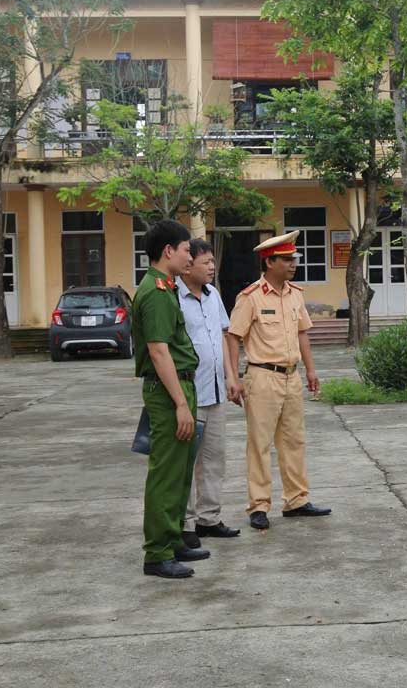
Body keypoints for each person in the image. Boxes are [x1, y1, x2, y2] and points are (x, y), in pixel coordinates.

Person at [227, 230, 331, 530]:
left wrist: (310, 370)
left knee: (294, 441)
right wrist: (233, 377)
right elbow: (234, 337)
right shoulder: (250, 297)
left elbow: (302, 334)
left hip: (291, 376)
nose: (293, 264)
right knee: (259, 444)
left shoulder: (296, 294)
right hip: (261, 377)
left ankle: (296, 500)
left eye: (293, 259)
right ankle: (258, 506)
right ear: (269, 262)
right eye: (286, 259)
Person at [132, 219, 209, 579]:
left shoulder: (165, 286)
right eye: (184, 251)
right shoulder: (156, 292)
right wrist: (180, 403)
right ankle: (157, 552)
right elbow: (160, 352)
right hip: (169, 392)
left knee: (180, 471)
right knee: (165, 472)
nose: (190, 257)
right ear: (168, 252)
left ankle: (174, 538)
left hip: (181, 387)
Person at [177, 238, 243, 550]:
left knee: (215, 458)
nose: (212, 268)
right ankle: (186, 523)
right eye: (207, 263)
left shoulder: (213, 294)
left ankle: (209, 518)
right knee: (187, 462)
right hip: (189, 392)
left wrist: (232, 376)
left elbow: (224, 335)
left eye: (213, 263)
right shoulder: (173, 297)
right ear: (188, 265)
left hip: (216, 390)